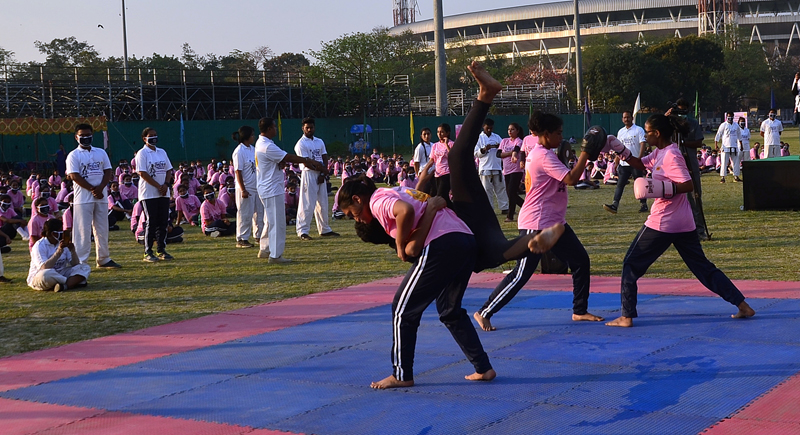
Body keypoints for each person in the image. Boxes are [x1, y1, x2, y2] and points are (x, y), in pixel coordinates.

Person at [337, 62, 556, 389]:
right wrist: (426, 215)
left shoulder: (378, 200)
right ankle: (483, 367)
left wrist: (402, 245)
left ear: (357, 200)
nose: (356, 218)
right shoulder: (393, 191)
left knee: (402, 308)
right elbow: (415, 222)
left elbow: (404, 215)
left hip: (446, 243)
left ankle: (402, 374)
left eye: (352, 215)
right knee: (450, 308)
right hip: (464, 239)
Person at [605, 114, 756, 328]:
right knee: (703, 268)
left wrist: (664, 189)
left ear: (657, 133)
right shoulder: (659, 152)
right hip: (684, 223)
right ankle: (743, 305)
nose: (645, 136)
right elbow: (638, 163)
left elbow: (687, 185)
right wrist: (620, 149)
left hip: (664, 222)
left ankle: (626, 316)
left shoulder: (671, 155)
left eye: (647, 133)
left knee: (630, 264)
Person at [474, 115, 609, 332]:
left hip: (555, 224)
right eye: (558, 133)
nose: (562, 136)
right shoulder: (542, 156)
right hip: (536, 223)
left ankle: (579, 310)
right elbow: (571, 179)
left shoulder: (545, 153)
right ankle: (484, 311)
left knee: (580, 261)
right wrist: (586, 152)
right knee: (522, 274)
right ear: (546, 135)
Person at [255, 117, 326, 263]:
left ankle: (265, 248)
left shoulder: (264, 143)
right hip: (272, 188)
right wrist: (307, 160)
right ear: (269, 129)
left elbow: (280, 159)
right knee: (277, 222)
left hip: (268, 187)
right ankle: (275, 255)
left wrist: (281, 162)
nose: (276, 129)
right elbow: (288, 157)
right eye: (274, 127)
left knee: (269, 220)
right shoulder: (267, 146)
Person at [66, 123, 121, 269]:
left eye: (88, 135)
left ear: (92, 135)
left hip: (101, 196)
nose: (85, 138)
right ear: (76, 137)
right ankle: (81, 261)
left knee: (102, 228)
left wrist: (101, 188)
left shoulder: (100, 152)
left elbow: (108, 170)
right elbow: (74, 175)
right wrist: (92, 189)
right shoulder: (73, 155)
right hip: (83, 198)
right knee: (82, 230)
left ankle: (103, 258)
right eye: (82, 136)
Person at [666, 98, 710, 241]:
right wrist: (666, 118)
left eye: (683, 110)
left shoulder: (693, 123)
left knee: (695, 197)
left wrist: (684, 142)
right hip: (673, 166)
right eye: (679, 110)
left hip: (690, 163)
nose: (681, 113)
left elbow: (698, 142)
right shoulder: (670, 124)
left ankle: (700, 230)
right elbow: (658, 133)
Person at [294, 117, 339, 240]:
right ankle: (302, 230)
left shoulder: (319, 141)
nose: (309, 129)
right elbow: (306, 162)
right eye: (307, 127)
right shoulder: (301, 144)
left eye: (311, 127)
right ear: (303, 128)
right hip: (309, 173)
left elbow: (324, 156)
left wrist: (324, 174)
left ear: (314, 127)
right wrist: (322, 170)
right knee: (307, 203)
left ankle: (324, 229)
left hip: (321, 173)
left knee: (323, 203)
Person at [134, 127, 175, 262]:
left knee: (163, 221)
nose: (154, 137)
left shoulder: (161, 152)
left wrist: (166, 185)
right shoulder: (142, 153)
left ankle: (161, 249)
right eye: (150, 135)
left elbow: (169, 169)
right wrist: (158, 186)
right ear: (144, 138)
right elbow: (142, 173)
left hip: (163, 193)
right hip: (149, 193)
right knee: (151, 221)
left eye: (155, 135)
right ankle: (148, 251)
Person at [604, 111, 649, 214]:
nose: (626, 119)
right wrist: (616, 162)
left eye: (628, 117)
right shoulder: (621, 132)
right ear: (622, 119)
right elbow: (618, 148)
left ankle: (643, 204)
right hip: (624, 164)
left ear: (632, 118)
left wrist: (639, 158)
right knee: (620, 184)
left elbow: (642, 144)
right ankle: (615, 205)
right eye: (624, 117)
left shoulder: (638, 130)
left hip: (635, 162)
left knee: (640, 185)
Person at [27, 219, 90, 292]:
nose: (62, 234)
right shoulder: (39, 246)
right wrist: (59, 252)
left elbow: (75, 264)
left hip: (60, 273)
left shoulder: (62, 243)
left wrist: (72, 251)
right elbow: (44, 267)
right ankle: (72, 282)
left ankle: (63, 286)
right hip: (41, 275)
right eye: (60, 231)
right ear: (52, 233)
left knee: (84, 267)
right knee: (46, 274)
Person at [232, 125, 263, 249]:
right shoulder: (239, 151)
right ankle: (242, 238)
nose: (254, 137)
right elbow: (238, 171)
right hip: (245, 188)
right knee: (245, 214)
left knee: (259, 213)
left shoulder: (252, 149)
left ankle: (258, 235)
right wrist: (243, 189)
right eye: (252, 135)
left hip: (256, 187)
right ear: (246, 136)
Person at [475, 118, 509, 214]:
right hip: (485, 167)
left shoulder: (497, 137)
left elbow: (504, 148)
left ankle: (504, 207)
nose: (489, 130)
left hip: (496, 166)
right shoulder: (479, 138)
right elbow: (476, 153)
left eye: (491, 128)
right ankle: (489, 209)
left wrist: (499, 147)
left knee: (501, 188)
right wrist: (484, 149)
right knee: (487, 190)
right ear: (483, 127)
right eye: (487, 128)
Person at [715, 111, 742, 183]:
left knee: (736, 162)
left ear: (733, 117)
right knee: (724, 162)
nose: (730, 118)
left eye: (731, 116)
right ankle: (723, 177)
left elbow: (739, 135)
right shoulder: (723, 125)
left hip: (734, 146)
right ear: (726, 117)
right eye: (728, 116)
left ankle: (736, 176)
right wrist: (716, 144)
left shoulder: (736, 125)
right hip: (725, 147)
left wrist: (741, 144)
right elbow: (718, 134)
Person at [430, 123, 454, 206]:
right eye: (438, 132)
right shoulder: (435, 145)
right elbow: (432, 159)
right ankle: (454, 213)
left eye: (442, 132)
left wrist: (447, 145)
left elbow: (453, 157)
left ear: (447, 133)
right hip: (437, 173)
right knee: (443, 197)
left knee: (441, 196)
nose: (439, 134)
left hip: (447, 173)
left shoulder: (451, 144)